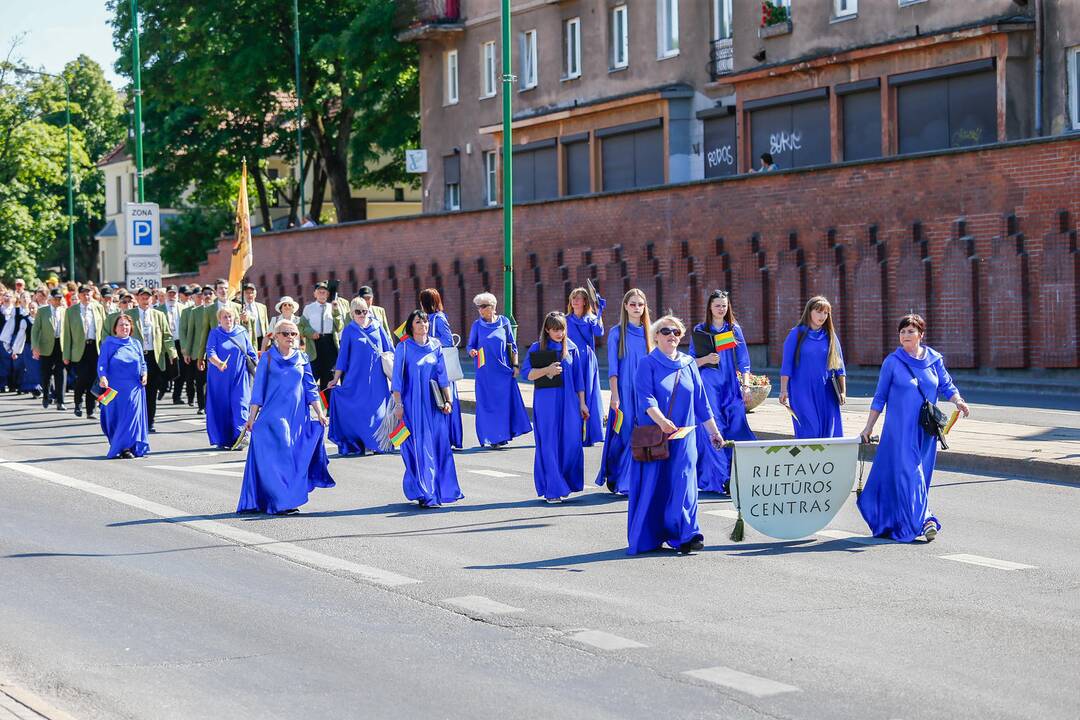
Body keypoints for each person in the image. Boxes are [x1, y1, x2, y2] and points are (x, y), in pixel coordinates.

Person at [858, 315, 970, 543]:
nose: (906, 335)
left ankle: (904, 520)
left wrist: (958, 400)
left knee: (921, 476)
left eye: (911, 331)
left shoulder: (934, 359)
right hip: (899, 432)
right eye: (902, 332)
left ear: (921, 334)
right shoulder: (892, 362)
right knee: (912, 474)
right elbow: (880, 397)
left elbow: (946, 385)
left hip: (926, 430)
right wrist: (868, 427)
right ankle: (926, 520)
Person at [627, 316, 725, 556]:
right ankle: (659, 533)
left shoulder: (689, 363)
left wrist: (714, 432)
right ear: (656, 336)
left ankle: (687, 534)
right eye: (666, 331)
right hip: (659, 437)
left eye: (677, 332)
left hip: (686, 437)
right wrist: (661, 421)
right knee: (659, 486)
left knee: (685, 484)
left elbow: (702, 402)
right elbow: (645, 397)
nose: (672, 335)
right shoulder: (647, 363)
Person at [237, 319, 334, 515]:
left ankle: (285, 499)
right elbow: (258, 390)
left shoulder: (302, 357)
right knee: (281, 457)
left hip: (298, 417)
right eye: (285, 333)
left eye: (293, 333)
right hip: (274, 417)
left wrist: (320, 413)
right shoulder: (268, 358)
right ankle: (281, 502)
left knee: (292, 458)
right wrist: (251, 417)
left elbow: (310, 388)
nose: (290, 337)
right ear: (276, 336)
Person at [688, 290, 756, 494]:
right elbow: (690, 361)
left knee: (737, 425)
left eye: (724, 305)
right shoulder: (701, 330)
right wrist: (706, 360)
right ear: (710, 307)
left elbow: (743, 361)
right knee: (713, 429)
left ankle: (743, 473)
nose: (721, 308)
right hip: (708, 386)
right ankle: (722, 478)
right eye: (717, 305)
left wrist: (746, 385)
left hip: (730, 387)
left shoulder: (733, 330)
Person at [391, 309, 461, 507]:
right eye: (418, 322)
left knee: (438, 447)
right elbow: (397, 380)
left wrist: (449, 401)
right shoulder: (403, 348)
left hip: (434, 405)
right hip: (412, 407)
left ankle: (436, 490)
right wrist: (398, 404)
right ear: (411, 326)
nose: (423, 325)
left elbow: (443, 376)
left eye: (425, 322)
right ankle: (426, 492)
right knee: (417, 448)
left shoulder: (436, 346)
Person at [521, 312, 588, 503]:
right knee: (549, 443)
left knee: (571, 442)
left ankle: (566, 481)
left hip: (569, 402)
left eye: (562, 329)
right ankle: (553, 488)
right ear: (547, 330)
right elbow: (527, 374)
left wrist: (582, 403)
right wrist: (547, 370)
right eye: (556, 329)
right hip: (546, 402)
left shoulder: (572, 348)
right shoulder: (537, 347)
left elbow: (579, 379)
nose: (560, 333)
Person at [595, 288, 653, 494]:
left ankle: (640, 481)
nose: (637, 308)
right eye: (633, 304)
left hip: (646, 393)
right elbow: (613, 369)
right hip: (624, 393)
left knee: (646, 434)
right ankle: (622, 480)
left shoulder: (652, 333)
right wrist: (615, 397)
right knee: (626, 434)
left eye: (640, 304)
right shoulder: (616, 333)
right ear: (625, 307)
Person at [327, 297, 394, 456]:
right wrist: (336, 379)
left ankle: (379, 442)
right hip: (356, 378)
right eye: (358, 312)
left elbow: (390, 349)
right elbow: (342, 357)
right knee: (361, 411)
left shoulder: (378, 326)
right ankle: (364, 443)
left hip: (377, 378)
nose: (362, 314)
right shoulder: (349, 330)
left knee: (378, 411)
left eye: (365, 311)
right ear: (351, 313)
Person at [466, 292, 531, 448]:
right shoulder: (477, 325)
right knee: (487, 405)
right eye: (478, 307)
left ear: (493, 307)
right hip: (485, 372)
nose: (480, 310)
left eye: (483, 306)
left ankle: (502, 436)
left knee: (503, 405)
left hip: (503, 371)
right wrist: (472, 352)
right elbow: (470, 345)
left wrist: (515, 366)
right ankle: (492, 437)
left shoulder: (504, 322)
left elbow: (513, 346)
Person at [779, 296, 846, 439]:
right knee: (810, 431)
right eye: (819, 311)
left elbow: (839, 367)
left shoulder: (830, 336)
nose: (822, 316)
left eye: (826, 313)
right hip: (801, 391)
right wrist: (783, 390)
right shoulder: (796, 334)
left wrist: (843, 391)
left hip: (826, 391)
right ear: (809, 312)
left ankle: (827, 461)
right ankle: (809, 461)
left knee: (828, 432)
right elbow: (787, 365)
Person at [97, 313, 150, 459]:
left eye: (126, 324)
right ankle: (118, 443)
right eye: (121, 324)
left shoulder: (136, 343)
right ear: (115, 328)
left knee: (131, 417)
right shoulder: (109, 343)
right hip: (113, 388)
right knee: (113, 417)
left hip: (134, 387)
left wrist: (144, 374)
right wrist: (103, 378)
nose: (124, 327)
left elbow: (143, 363)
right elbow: (102, 363)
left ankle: (127, 447)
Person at [204, 306, 257, 449]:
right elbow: (210, 352)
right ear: (219, 320)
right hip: (219, 378)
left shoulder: (242, 332)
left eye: (230, 316)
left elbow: (251, 352)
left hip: (240, 377)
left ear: (235, 318)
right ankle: (224, 438)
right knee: (222, 407)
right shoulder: (214, 333)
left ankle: (241, 436)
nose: (228, 319)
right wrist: (219, 363)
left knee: (240, 404)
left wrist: (257, 368)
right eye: (224, 317)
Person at [127, 287, 176, 432]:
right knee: (135, 392)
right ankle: (136, 421)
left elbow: (167, 335)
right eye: (142, 296)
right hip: (136, 357)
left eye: (148, 296)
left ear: (152, 298)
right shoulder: (130, 314)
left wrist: (172, 352)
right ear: (137, 298)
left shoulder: (159, 315)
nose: (145, 299)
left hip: (154, 357)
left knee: (151, 392)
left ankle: (150, 422)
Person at [420, 288, 463, 449]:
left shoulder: (438, 319)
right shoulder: (424, 318)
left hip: (441, 366)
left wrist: (427, 339)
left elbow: (447, 340)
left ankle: (451, 437)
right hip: (430, 366)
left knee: (445, 399)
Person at [566, 287, 606, 447]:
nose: (575, 300)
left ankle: (590, 433)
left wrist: (599, 312)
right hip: (570, 359)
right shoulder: (565, 319)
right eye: (573, 297)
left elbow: (599, 332)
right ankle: (573, 432)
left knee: (589, 393)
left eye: (579, 298)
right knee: (572, 392)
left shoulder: (591, 319)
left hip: (587, 360)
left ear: (585, 302)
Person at [63, 285, 106, 419]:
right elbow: (67, 334)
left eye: (89, 294)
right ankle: (78, 403)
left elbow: (104, 330)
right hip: (79, 349)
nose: (86, 296)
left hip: (95, 348)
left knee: (93, 379)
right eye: (84, 294)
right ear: (79, 295)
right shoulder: (71, 311)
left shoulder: (98, 308)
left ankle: (90, 410)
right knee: (82, 378)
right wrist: (66, 354)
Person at [302, 282, 345, 390]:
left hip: (329, 344)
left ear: (328, 294)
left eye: (324, 292)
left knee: (329, 378)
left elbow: (339, 327)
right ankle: (310, 404)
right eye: (319, 292)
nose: (322, 294)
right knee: (312, 376)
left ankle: (329, 406)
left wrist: (336, 311)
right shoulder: (308, 308)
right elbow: (301, 326)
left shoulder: (333, 307)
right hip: (314, 345)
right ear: (314, 294)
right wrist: (310, 333)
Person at [31, 288, 67, 410]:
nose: (58, 301)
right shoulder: (42, 311)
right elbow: (35, 330)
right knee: (46, 374)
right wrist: (35, 347)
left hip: (61, 345)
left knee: (61, 373)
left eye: (60, 298)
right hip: (46, 346)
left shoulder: (65, 311)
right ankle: (46, 396)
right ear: (50, 299)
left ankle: (60, 401)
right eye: (56, 298)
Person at [157, 285, 187, 405]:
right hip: (165, 342)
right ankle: (162, 387)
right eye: (169, 293)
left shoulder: (183, 308)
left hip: (180, 341)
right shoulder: (159, 310)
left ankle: (177, 396)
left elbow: (186, 327)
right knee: (164, 368)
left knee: (181, 370)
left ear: (177, 294)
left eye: (174, 293)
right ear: (165, 295)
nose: (172, 296)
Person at [11, 300, 41, 398]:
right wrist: (15, 351)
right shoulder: (25, 320)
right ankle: (35, 388)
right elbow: (20, 336)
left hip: (42, 348)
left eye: (34, 308)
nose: (32, 310)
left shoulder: (41, 319)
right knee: (32, 369)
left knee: (41, 368)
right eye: (30, 308)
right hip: (29, 348)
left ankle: (42, 387)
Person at [240, 282, 269, 350]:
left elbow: (266, 324)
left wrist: (268, 339)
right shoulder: (240, 307)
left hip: (261, 340)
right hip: (247, 339)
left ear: (255, 294)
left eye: (252, 292)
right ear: (243, 294)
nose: (250, 295)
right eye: (247, 292)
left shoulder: (262, 307)